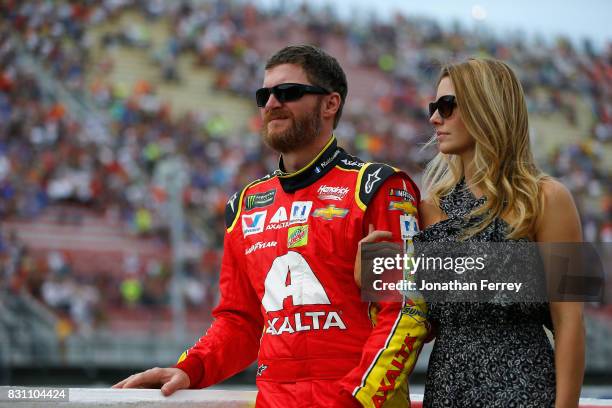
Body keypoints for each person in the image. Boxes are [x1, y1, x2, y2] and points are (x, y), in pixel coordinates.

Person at [113, 45, 429, 408]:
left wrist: (353, 401)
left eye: (289, 92)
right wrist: (191, 368)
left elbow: (404, 309)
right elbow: (240, 321)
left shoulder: (375, 188)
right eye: (265, 95)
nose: (272, 103)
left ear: (330, 104)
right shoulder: (245, 204)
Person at [414, 58, 585, 407]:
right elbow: (421, 322)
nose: (434, 118)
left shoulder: (549, 199)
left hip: (525, 389)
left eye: (446, 106)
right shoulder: (427, 208)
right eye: (434, 107)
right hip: (446, 389)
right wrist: (369, 265)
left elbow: (569, 321)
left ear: (485, 108)